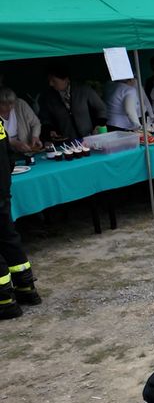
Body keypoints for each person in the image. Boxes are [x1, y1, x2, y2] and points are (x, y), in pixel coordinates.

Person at [0, 115, 40, 320]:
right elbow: (9, 155)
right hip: (2, 190)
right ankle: (26, 289)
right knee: (8, 238)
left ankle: (4, 302)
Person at [39, 66, 107, 140]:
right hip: (67, 140)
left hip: (89, 136)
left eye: (53, 81)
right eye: (49, 81)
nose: (50, 84)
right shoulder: (48, 98)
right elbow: (45, 118)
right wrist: (50, 130)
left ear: (66, 79)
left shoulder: (83, 90)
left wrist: (99, 124)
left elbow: (101, 108)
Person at [0, 88, 41, 153]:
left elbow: (35, 123)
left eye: (11, 103)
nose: (9, 107)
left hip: (27, 149)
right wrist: (14, 143)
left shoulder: (20, 104)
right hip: (4, 153)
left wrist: (35, 136)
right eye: (4, 104)